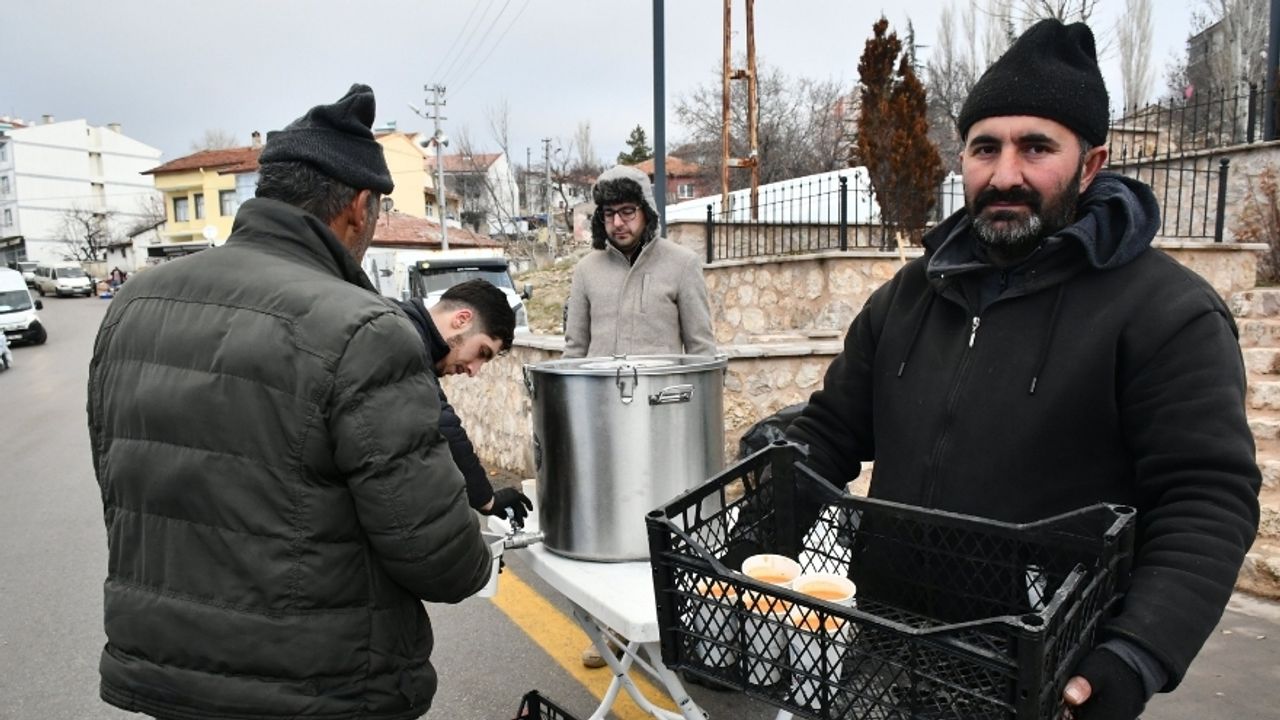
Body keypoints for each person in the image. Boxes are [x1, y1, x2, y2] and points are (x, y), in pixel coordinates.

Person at [784, 20, 1260, 720]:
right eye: (985, 148)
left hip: (1040, 680)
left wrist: (1137, 653)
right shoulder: (911, 296)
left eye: (1036, 147)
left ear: (1091, 164)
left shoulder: (1167, 313)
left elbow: (1207, 499)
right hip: (880, 652)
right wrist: (774, 473)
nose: (1005, 174)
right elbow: (831, 431)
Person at [86, 84, 491, 720]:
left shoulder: (133, 306)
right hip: (319, 686)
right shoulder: (362, 327)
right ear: (359, 207)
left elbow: (121, 482)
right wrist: (480, 548)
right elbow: (438, 556)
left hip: (167, 674)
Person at [393, 279, 533, 524]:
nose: (473, 370)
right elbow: (441, 422)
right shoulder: (400, 338)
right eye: (482, 352)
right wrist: (487, 500)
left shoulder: (402, 326)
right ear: (461, 320)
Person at [563, 164, 716, 359]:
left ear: (646, 211)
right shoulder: (586, 270)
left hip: (663, 389)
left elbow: (702, 351)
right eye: (609, 213)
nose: (617, 223)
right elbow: (574, 352)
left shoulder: (683, 264)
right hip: (599, 389)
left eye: (627, 211)